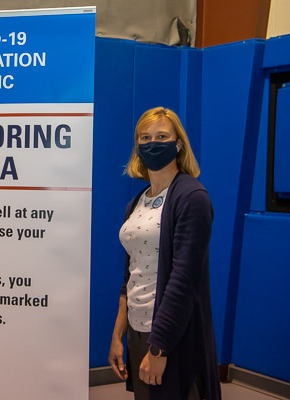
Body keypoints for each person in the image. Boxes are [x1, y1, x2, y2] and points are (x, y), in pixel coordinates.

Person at [108, 107, 221, 400]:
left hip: (172, 337)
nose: (152, 143)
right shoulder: (136, 203)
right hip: (137, 330)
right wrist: (117, 335)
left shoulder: (191, 197)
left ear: (178, 144)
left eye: (161, 136)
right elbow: (129, 276)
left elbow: (184, 281)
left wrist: (159, 347)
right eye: (145, 137)